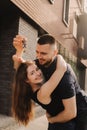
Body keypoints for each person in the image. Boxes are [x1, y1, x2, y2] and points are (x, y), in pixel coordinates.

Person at [12, 34, 87, 130]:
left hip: (78, 112)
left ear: (54, 52)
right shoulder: (39, 64)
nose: (38, 57)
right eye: (37, 52)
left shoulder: (65, 78)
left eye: (43, 53)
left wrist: (52, 120)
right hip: (57, 113)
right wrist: (19, 50)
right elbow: (21, 70)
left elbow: (70, 113)